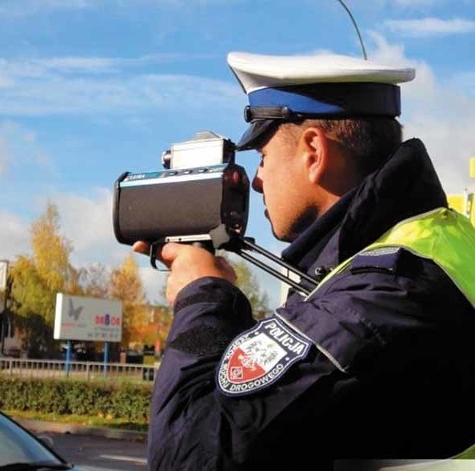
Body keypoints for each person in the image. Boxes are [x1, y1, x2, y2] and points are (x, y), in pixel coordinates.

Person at [135, 52, 475, 471]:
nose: (256, 181)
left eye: (262, 156)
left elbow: (191, 456)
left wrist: (201, 295)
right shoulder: (428, 247)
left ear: (313, 151)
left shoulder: (386, 290)